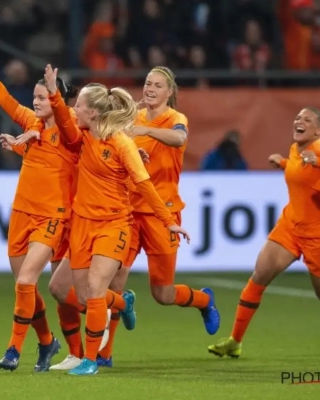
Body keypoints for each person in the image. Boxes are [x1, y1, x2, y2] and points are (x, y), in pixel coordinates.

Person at [207, 108, 320, 358]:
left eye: (307, 120)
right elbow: (301, 172)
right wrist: (284, 163)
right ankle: (235, 340)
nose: (300, 121)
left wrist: (319, 161)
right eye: (298, 118)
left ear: (318, 130)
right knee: (259, 276)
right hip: (291, 226)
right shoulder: (296, 149)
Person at [44, 64, 190, 376]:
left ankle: (90, 360)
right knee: (80, 295)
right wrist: (54, 94)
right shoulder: (82, 136)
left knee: (96, 288)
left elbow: (144, 185)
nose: (74, 109)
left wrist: (168, 220)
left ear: (93, 112)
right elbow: (64, 123)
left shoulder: (122, 144)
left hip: (113, 225)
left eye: (79, 105)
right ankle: (122, 303)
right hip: (82, 224)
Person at [0, 33, 77, 372]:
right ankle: (47, 342)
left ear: (56, 99)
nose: (36, 102)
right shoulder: (30, 124)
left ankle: (13, 349)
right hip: (22, 213)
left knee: (26, 281)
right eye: (35, 96)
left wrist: (54, 96)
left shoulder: (71, 131)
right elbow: (2, 97)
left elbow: (64, 126)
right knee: (25, 287)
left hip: (52, 217)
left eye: (43, 97)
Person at [94, 67, 221, 368]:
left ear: (169, 92)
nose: (150, 88)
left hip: (162, 213)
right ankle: (104, 353)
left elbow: (179, 139)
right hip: (127, 211)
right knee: (114, 281)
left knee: (163, 293)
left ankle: (204, 300)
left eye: (158, 85)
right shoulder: (132, 117)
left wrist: (146, 131)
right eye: (148, 83)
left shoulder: (176, 119)